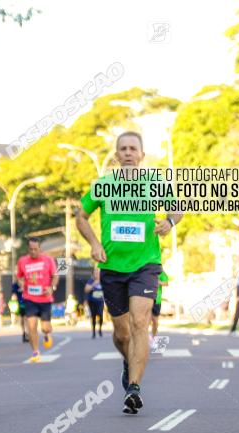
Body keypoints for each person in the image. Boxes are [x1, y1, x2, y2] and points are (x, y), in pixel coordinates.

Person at [76, 131, 183, 414]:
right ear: (116, 155)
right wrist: (95, 244)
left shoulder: (154, 183)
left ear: (141, 155)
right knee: (122, 332)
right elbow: (81, 217)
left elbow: (178, 208)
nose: (127, 153)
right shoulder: (103, 185)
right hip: (111, 267)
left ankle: (133, 387)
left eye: (133, 148)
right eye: (122, 148)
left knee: (140, 323)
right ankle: (128, 361)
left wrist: (169, 222)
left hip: (145, 265)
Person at [17, 237, 58, 363]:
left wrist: (51, 288)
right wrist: (21, 284)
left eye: (35, 249)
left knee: (45, 327)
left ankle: (46, 334)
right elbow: (19, 276)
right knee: (31, 326)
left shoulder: (48, 260)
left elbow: (55, 275)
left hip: (45, 299)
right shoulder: (22, 261)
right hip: (30, 298)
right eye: (31, 249)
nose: (33, 251)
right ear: (28, 249)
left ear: (40, 248)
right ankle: (35, 352)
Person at [84, 266, 105, 338]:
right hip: (92, 301)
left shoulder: (102, 281)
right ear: (93, 274)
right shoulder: (91, 280)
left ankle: (100, 329)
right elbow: (86, 290)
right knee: (93, 316)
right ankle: (93, 332)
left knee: (100, 315)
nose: (96, 274)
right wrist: (94, 284)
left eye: (98, 273)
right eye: (95, 272)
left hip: (100, 301)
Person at [150, 270, 169, 345]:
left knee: (155, 321)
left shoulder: (160, 271)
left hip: (157, 300)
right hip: (147, 298)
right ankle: (143, 339)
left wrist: (158, 282)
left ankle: (153, 338)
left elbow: (166, 283)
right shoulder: (144, 269)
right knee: (145, 320)